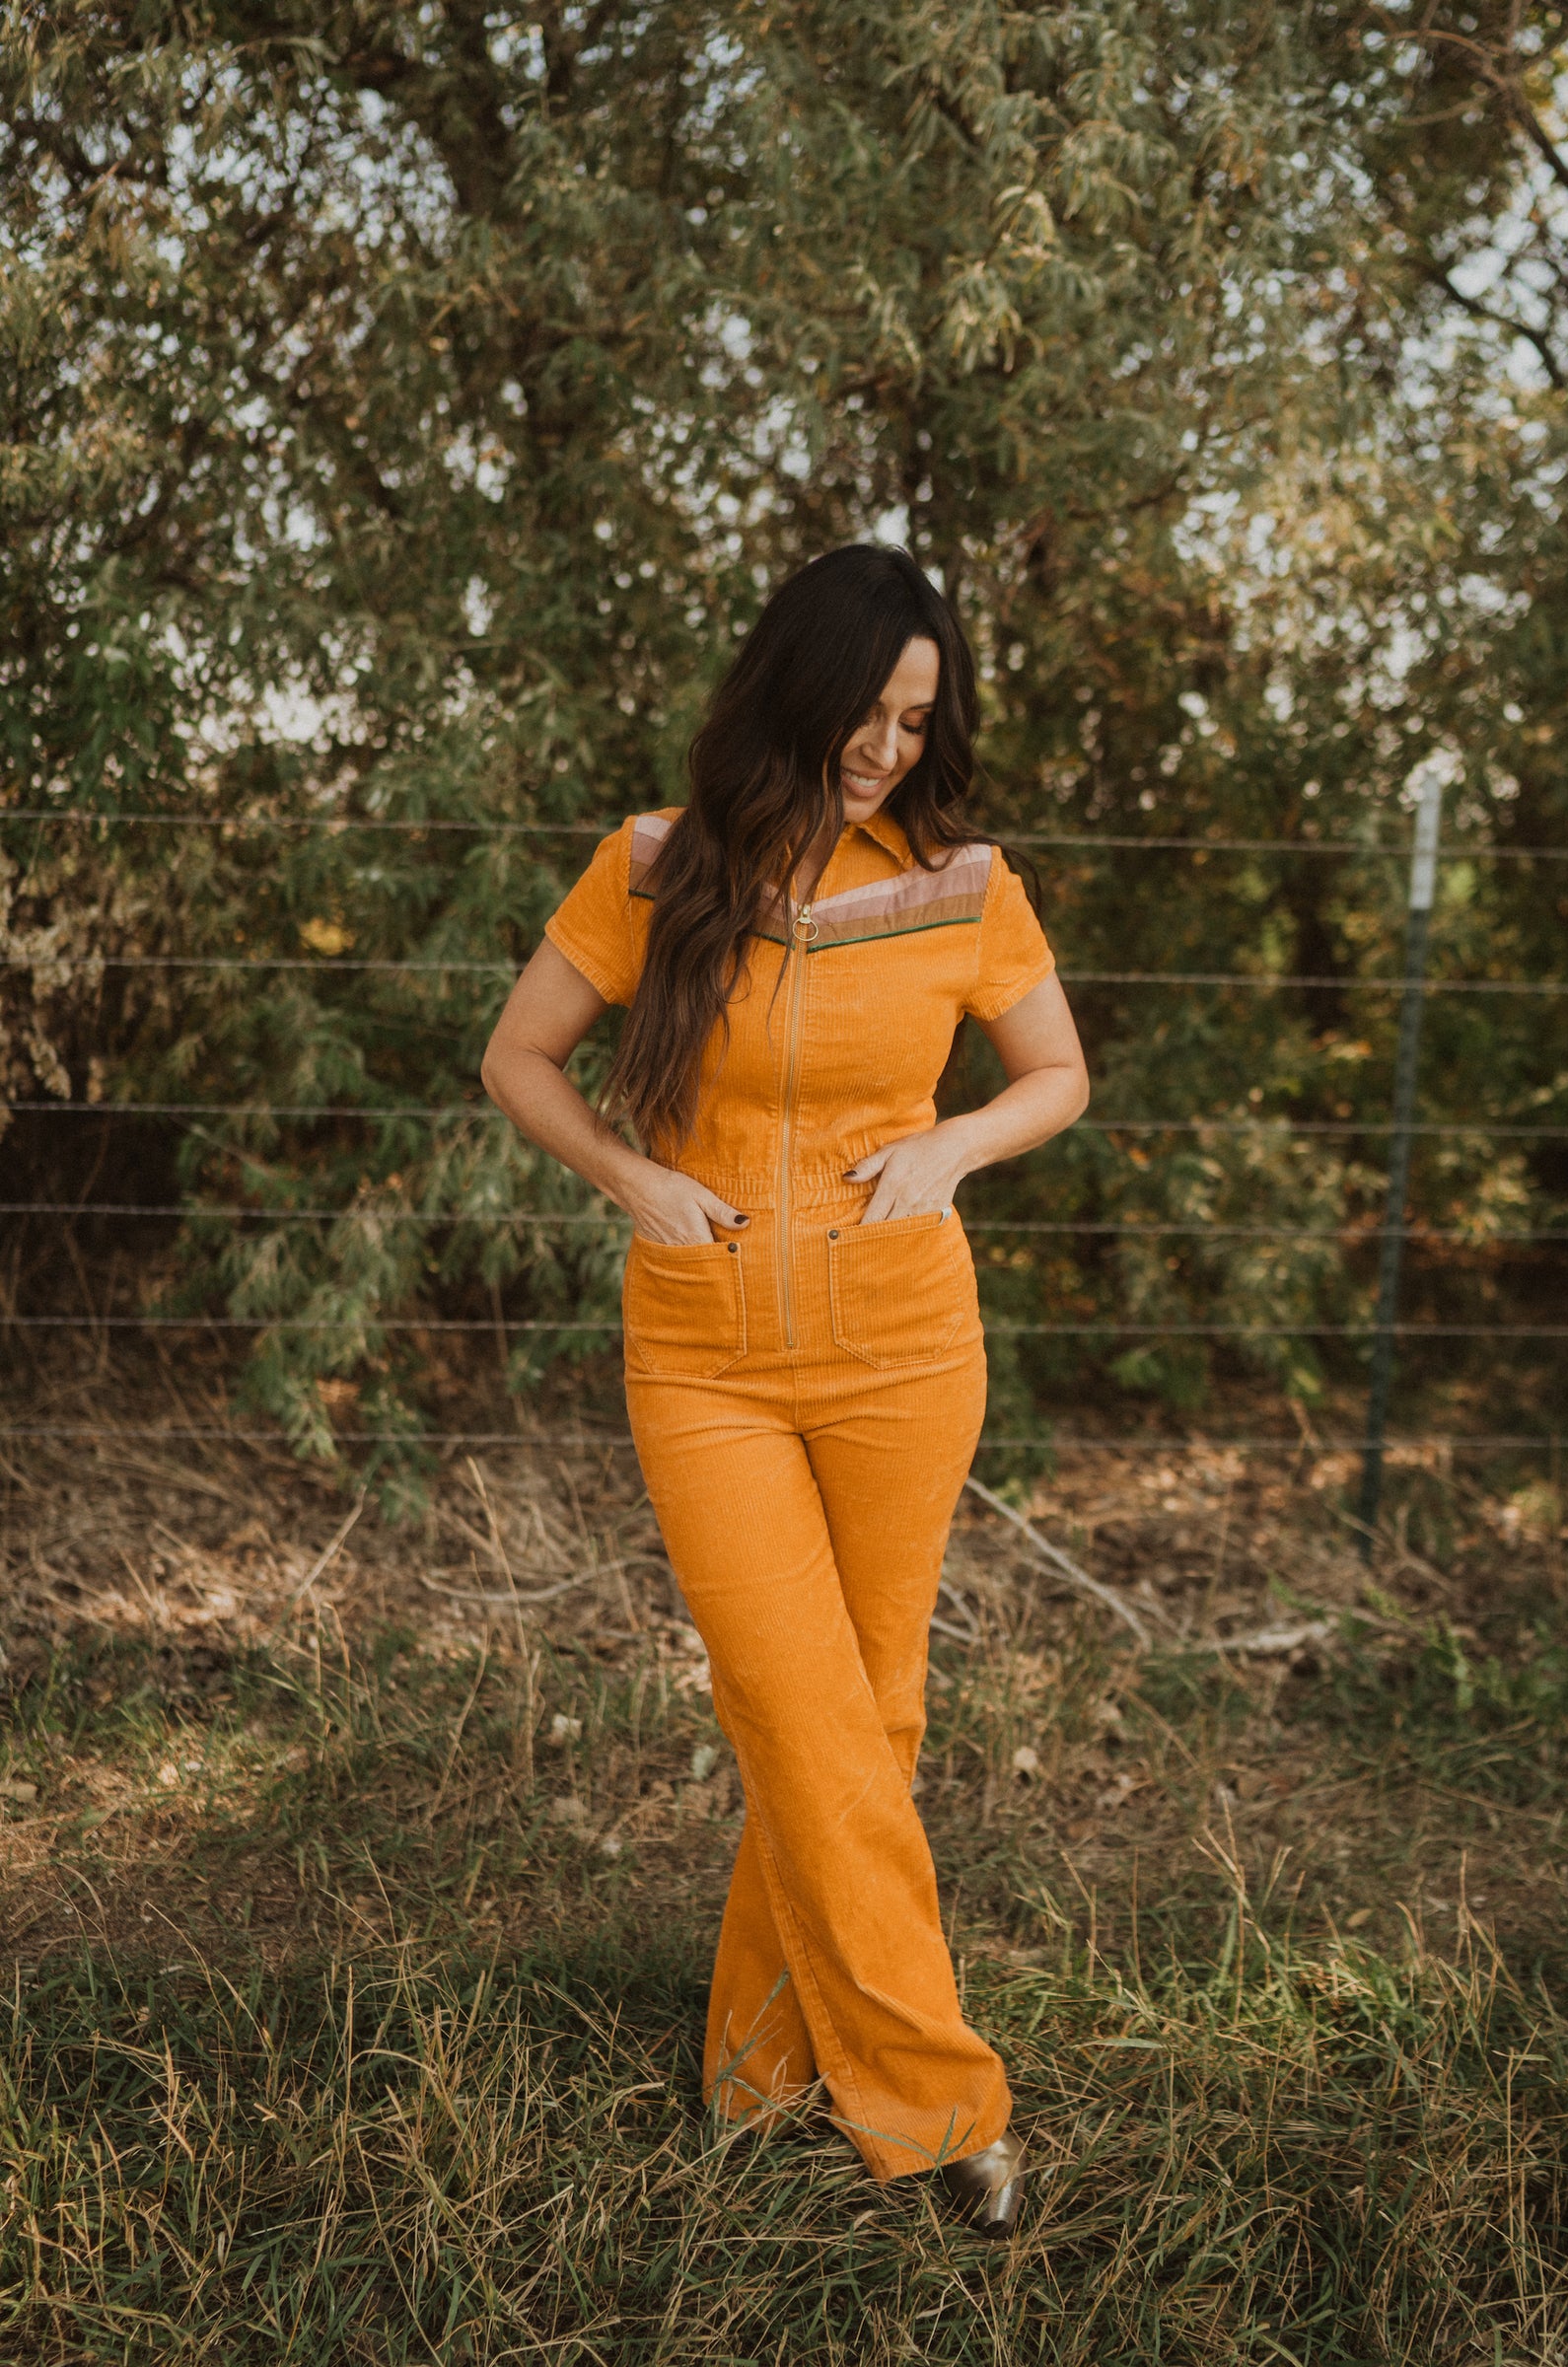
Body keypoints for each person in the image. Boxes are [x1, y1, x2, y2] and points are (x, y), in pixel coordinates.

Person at [481, 544, 1088, 2237]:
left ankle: (755, 2069)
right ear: (795, 691)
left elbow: (1057, 1075)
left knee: (869, 1715)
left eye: (919, 718)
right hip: (706, 1354)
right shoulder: (656, 867)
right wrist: (633, 1181)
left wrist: (954, 1149)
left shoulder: (964, 883)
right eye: (866, 711)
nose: (889, 748)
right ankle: (945, 2108)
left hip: (907, 1347)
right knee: (798, 1708)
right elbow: (517, 1056)